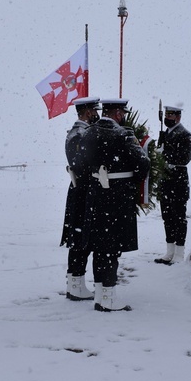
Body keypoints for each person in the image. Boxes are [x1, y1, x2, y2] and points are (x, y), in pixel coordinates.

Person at [78, 98, 150, 311]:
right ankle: (108, 298)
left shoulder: (89, 133)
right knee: (111, 247)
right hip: (117, 197)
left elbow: (80, 164)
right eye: (123, 113)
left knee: (99, 246)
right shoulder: (124, 134)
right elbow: (142, 164)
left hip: (95, 195)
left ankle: (100, 294)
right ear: (118, 114)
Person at [60, 97, 100, 301]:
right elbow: (83, 164)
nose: (96, 114)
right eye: (94, 110)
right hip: (82, 191)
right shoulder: (79, 134)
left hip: (81, 190)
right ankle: (76, 283)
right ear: (86, 112)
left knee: (81, 238)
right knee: (80, 240)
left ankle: (75, 283)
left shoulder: (81, 132)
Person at [154, 106, 191, 265]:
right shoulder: (166, 134)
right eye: (166, 115)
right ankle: (169, 251)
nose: (167, 118)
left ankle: (179, 252)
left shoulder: (185, 135)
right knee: (167, 217)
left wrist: (165, 152)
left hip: (178, 181)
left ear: (178, 117)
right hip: (166, 181)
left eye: (170, 115)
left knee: (179, 217)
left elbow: (184, 158)